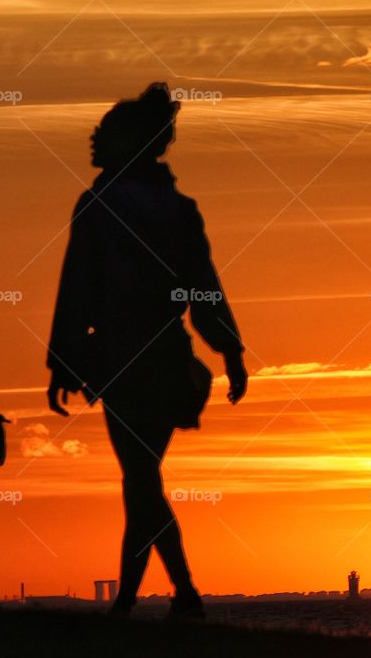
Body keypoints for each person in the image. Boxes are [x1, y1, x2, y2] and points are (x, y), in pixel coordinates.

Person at [46, 82, 247, 618]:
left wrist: (64, 360)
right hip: (163, 359)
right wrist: (229, 350)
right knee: (142, 478)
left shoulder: (100, 205)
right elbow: (202, 285)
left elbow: (77, 288)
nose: (94, 140)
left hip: (127, 361)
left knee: (139, 479)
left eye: (106, 133)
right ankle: (154, 600)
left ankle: (169, 597)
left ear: (130, 142)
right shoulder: (178, 209)